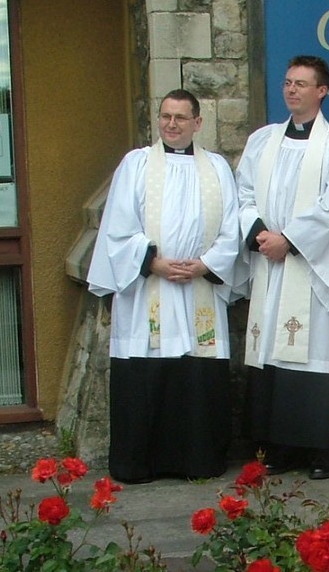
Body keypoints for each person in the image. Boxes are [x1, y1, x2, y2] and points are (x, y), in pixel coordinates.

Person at [87, 88, 241, 483]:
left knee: (195, 379)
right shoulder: (136, 164)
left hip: (198, 289)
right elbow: (118, 228)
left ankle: (198, 461)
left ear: (198, 123)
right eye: (165, 116)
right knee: (146, 374)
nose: (172, 124)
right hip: (147, 291)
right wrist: (152, 262)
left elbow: (232, 229)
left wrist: (204, 264)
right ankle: (138, 463)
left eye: (180, 118)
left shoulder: (217, 168)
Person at [236, 55, 329, 480]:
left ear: (322, 91)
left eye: (301, 84)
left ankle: (321, 449)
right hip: (270, 264)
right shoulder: (263, 140)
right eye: (288, 82)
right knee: (271, 349)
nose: (291, 90)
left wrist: (288, 240)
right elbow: (244, 192)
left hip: (310, 268)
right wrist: (259, 234)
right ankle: (281, 446)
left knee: (313, 354)